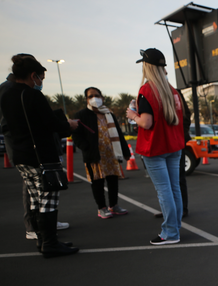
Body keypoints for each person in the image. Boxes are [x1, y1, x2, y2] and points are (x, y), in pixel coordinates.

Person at [0, 57, 79, 258]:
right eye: (41, 78)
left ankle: (42, 240)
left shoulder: (6, 95)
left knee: (35, 199)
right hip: (41, 156)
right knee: (48, 200)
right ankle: (50, 243)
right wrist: (69, 125)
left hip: (20, 154)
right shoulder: (32, 95)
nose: (41, 82)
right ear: (33, 75)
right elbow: (51, 124)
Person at [126, 48, 186, 245]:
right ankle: (174, 229)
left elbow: (146, 122)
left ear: (147, 67)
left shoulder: (147, 90)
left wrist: (132, 115)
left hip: (155, 147)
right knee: (174, 189)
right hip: (173, 146)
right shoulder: (173, 91)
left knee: (165, 191)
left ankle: (170, 233)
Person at [72, 87, 132, 219]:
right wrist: (86, 147)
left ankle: (114, 205)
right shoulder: (81, 115)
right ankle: (102, 208)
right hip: (94, 155)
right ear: (86, 100)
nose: (94, 98)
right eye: (90, 96)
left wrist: (125, 151)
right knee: (97, 182)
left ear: (102, 98)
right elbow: (76, 135)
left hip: (111, 154)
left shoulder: (109, 114)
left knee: (113, 181)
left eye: (97, 95)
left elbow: (119, 134)